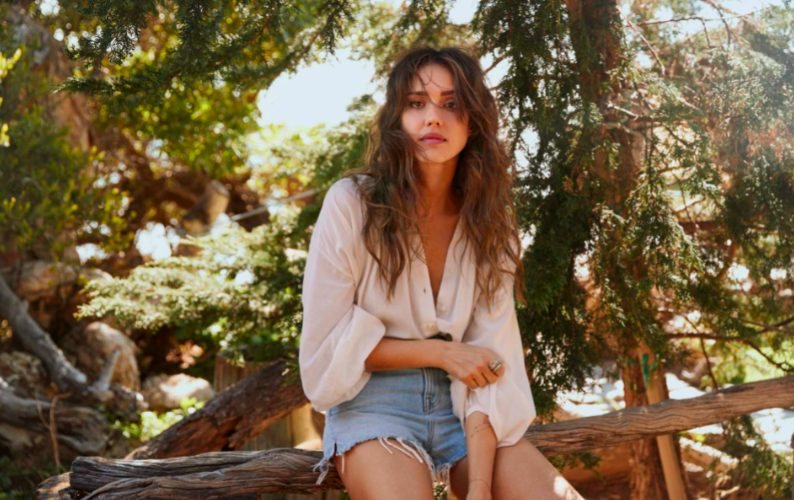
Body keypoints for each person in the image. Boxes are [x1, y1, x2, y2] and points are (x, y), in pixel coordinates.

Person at [299, 45, 584, 500]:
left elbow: (489, 362)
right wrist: (442, 353)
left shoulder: (490, 222)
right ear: (397, 118)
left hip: (464, 405)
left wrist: (480, 487)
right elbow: (326, 348)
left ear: (474, 122)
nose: (433, 118)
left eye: (451, 104)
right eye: (416, 103)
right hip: (372, 403)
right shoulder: (352, 204)